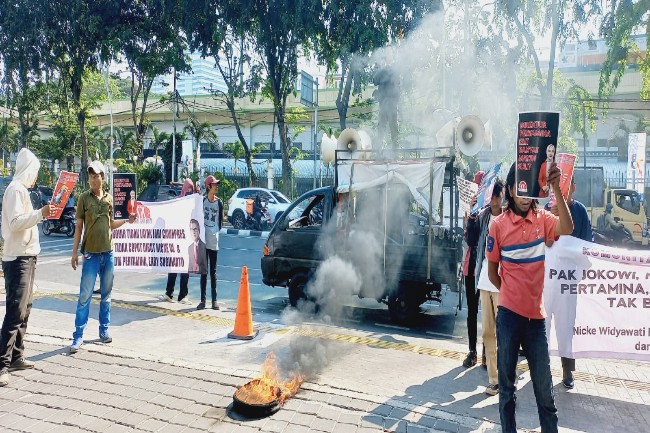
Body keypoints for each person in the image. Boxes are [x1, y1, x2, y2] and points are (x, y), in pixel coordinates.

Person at [487, 162, 573, 433]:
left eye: (529, 188)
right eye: (519, 188)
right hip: (509, 318)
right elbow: (492, 273)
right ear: (511, 190)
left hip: (536, 320)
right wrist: (512, 294)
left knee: (544, 391)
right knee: (507, 389)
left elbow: (568, 227)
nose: (525, 195)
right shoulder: (498, 226)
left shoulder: (542, 219)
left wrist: (557, 188)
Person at [0, 149, 54, 387]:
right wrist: (40, 214)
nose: (36, 176)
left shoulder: (22, 190)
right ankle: (2, 363)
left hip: (28, 255)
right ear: (28, 169)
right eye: (35, 171)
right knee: (15, 311)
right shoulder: (14, 190)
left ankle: (16, 356)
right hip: (18, 258)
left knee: (25, 308)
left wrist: (39, 214)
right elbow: (15, 223)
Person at [69, 161, 136, 354]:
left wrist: (127, 220)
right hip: (90, 254)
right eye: (90, 175)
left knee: (106, 296)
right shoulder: (83, 198)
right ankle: (78, 336)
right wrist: (74, 252)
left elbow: (111, 225)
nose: (92, 178)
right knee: (84, 296)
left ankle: (103, 330)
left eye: (95, 175)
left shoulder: (110, 199)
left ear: (103, 178)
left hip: (108, 253)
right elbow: (79, 227)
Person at [545, 176, 593, 389]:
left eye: (566, 187)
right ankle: (542, 367)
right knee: (542, 326)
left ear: (573, 187)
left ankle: (567, 371)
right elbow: (543, 240)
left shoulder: (580, 211)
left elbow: (587, 245)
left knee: (567, 326)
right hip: (547, 281)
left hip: (568, 282)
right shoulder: (547, 209)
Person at [472, 178, 504, 396]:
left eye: (496, 195)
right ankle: (494, 380)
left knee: (505, 333)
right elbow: (472, 241)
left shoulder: (510, 217)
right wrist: (470, 217)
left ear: (503, 195)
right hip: (485, 279)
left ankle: (506, 378)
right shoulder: (482, 216)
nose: (493, 200)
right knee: (488, 333)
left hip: (503, 281)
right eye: (490, 195)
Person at [462, 170, 485, 368]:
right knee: (472, 311)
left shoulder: (493, 211)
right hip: (471, 266)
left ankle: (487, 352)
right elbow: (469, 239)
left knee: (489, 312)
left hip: (487, 265)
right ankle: (472, 351)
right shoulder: (472, 212)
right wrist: (470, 215)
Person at [160, 178, 195, 304]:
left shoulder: (191, 202)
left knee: (184, 267)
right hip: (177, 238)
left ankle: (182, 295)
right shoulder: (178, 202)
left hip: (186, 240)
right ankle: (169, 293)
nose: (190, 192)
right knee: (174, 266)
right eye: (189, 189)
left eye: (192, 189)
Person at [201, 175, 224, 310]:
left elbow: (220, 222)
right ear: (208, 186)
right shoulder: (202, 201)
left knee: (213, 272)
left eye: (217, 184)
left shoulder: (219, 203)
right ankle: (203, 300)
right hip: (203, 241)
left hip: (213, 240)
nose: (216, 186)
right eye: (214, 184)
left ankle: (214, 300)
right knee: (204, 271)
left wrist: (214, 231)